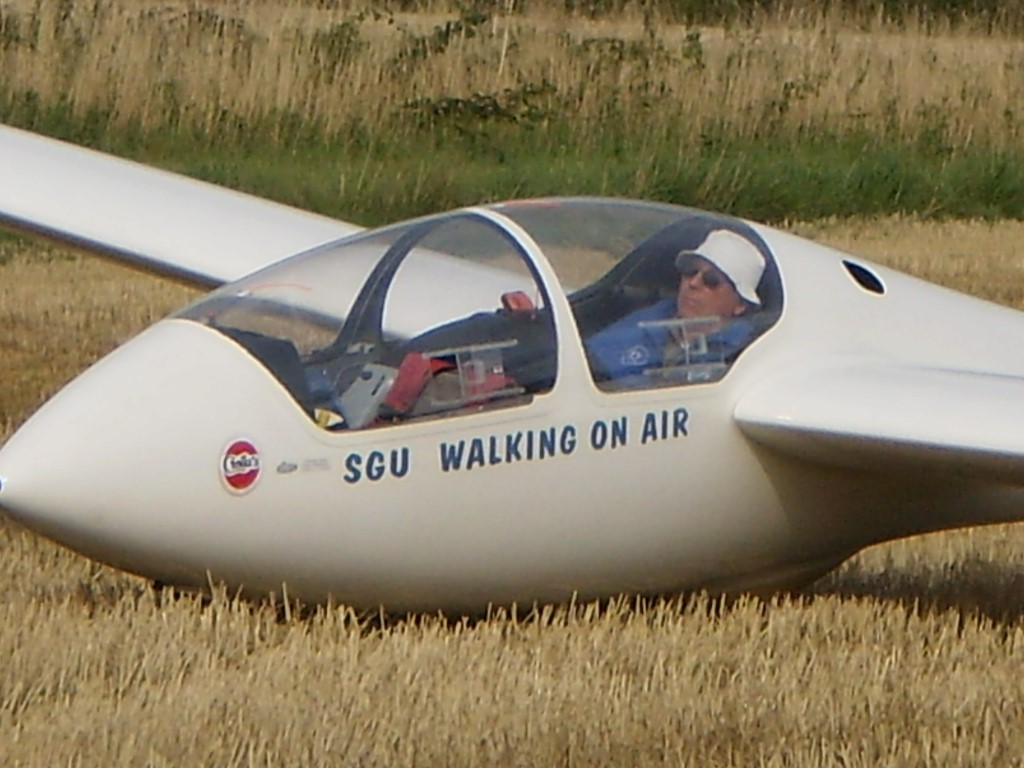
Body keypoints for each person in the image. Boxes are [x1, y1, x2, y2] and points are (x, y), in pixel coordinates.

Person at [586, 229, 766, 382]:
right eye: (690, 271)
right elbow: (591, 361)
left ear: (740, 304)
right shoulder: (647, 321)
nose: (693, 283)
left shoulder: (744, 356)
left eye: (711, 280)